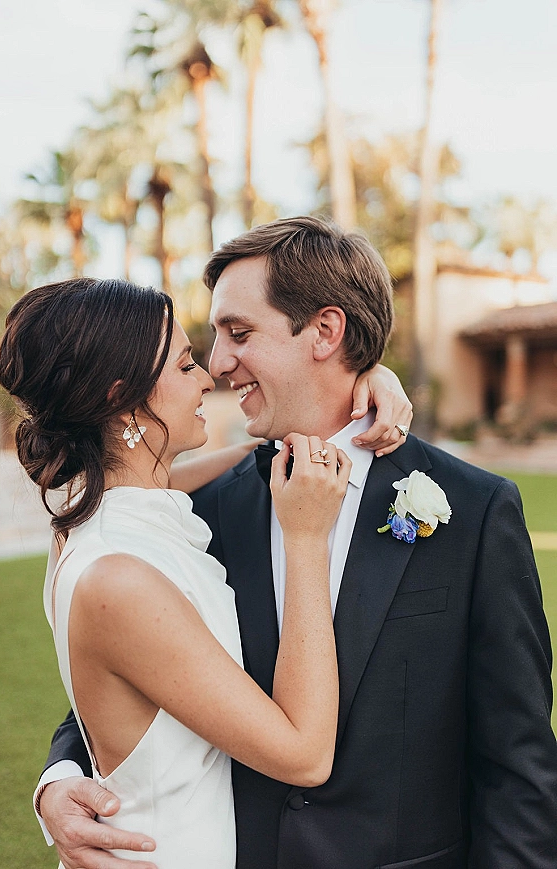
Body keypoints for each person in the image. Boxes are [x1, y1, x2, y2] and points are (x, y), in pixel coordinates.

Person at [37, 217, 557, 869]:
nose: (219, 363)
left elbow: (520, 765)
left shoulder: (477, 510)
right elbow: (129, 672)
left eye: (239, 332)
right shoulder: (206, 506)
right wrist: (59, 779)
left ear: (325, 331)